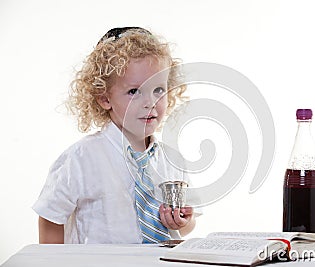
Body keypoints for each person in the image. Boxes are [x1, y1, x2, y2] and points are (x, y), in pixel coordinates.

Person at [32, 27, 197, 244]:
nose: (150, 102)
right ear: (105, 99)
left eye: (158, 90)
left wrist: (182, 222)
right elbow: (51, 217)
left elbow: (189, 225)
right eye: (134, 91)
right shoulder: (81, 158)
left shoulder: (173, 161)